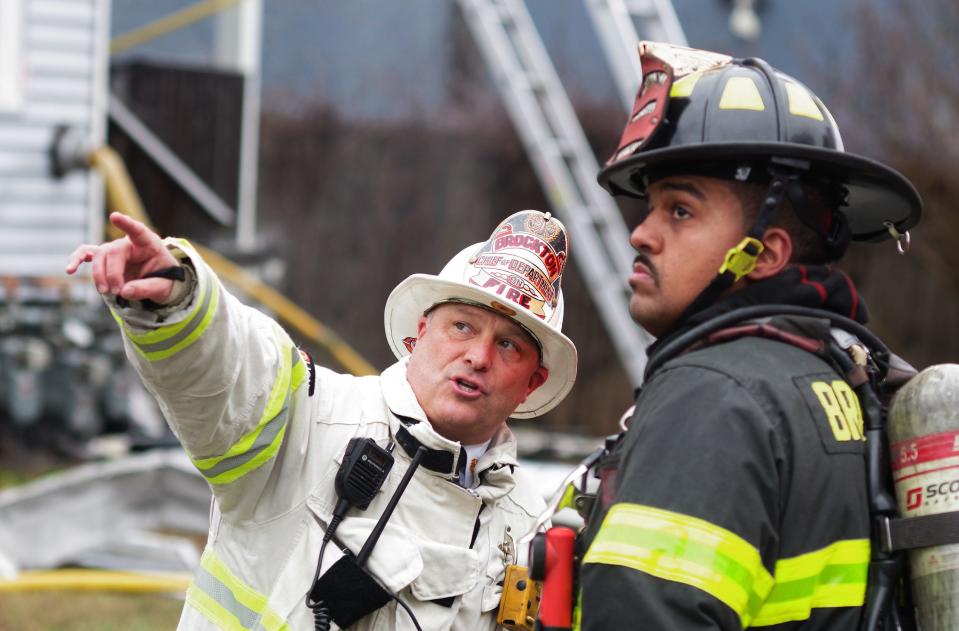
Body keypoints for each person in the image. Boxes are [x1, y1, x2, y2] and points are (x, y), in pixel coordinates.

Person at [66, 208, 578, 630]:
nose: (478, 357)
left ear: (533, 381)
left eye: (508, 345)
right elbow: (235, 367)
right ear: (419, 334)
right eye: (462, 326)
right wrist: (182, 299)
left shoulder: (530, 519)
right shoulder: (311, 417)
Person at [576, 42, 922, 630]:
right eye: (651, 207)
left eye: (680, 211)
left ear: (764, 254)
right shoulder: (859, 380)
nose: (642, 234)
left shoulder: (713, 395)